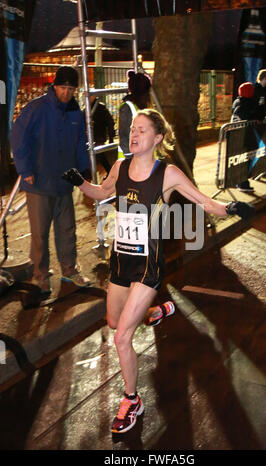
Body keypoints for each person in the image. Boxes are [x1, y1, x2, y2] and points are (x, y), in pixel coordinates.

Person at [62, 109, 254, 433]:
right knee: (112, 321)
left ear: (157, 138)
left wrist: (230, 208)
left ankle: (131, 400)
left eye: (141, 130)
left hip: (148, 264)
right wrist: (80, 183)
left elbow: (203, 201)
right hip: (120, 260)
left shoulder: (167, 174)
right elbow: (101, 192)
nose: (133, 135)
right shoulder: (121, 166)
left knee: (122, 337)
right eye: (132, 130)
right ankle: (152, 312)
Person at [10, 66, 91, 295]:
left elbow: (80, 143)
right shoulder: (36, 109)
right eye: (63, 87)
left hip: (65, 181)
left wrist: (84, 170)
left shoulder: (76, 112)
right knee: (40, 233)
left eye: (71, 89)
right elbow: (17, 137)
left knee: (67, 229)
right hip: (39, 182)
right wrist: (25, 169)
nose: (66, 93)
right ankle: (40, 275)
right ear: (54, 86)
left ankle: (70, 269)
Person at [231, 82, 258, 192]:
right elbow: (249, 117)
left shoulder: (237, 101)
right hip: (243, 137)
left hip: (238, 136)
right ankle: (242, 182)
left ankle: (239, 181)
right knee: (245, 159)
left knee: (242, 159)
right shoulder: (245, 105)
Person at [118, 70, 152, 159]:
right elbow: (125, 137)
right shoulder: (128, 108)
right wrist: (130, 161)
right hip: (131, 160)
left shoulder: (141, 107)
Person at [90, 96, 116, 174]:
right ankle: (108, 172)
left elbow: (110, 121)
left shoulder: (100, 107)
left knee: (100, 156)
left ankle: (109, 172)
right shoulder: (89, 107)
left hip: (98, 136)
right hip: (95, 135)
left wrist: (111, 136)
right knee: (98, 156)